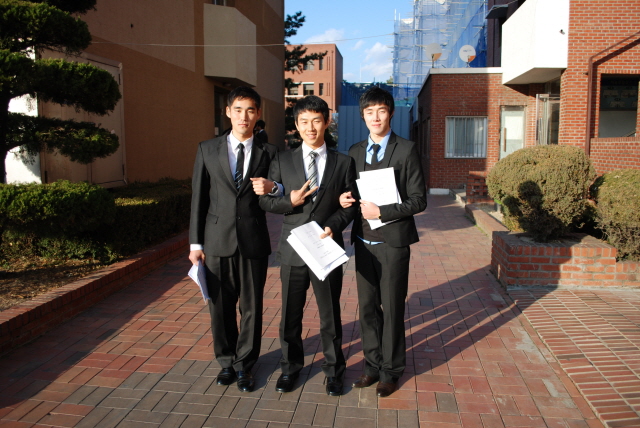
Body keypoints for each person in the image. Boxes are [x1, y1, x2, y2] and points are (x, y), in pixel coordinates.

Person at [259, 95, 357, 396]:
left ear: (326, 122)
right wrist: (289, 201)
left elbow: (350, 204)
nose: (310, 127)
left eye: (316, 120)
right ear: (297, 124)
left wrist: (334, 224)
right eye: (304, 121)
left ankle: (334, 370)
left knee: (330, 315)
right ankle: (290, 368)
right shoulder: (282, 160)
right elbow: (266, 201)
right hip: (293, 250)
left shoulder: (344, 162)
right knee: (291, 314)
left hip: (326, 246)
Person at [189, 86, 279, 393]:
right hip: (216, 240)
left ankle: (245, 365)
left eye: (250, 110)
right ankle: (226, 361)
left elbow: (279, 191)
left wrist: (274, 187)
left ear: (258, 114)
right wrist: (195, 244)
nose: (244, 117)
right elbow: (199, 199)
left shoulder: (270, 152)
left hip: (253, 240)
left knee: (251, 307)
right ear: (228, 112)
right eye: (238, 110)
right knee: (220, 306)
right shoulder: (207, 149)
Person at [340, 87, 427, 397]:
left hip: (393, 243)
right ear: (363, 116)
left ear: (390, 113)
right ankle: (372, 366)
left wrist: (383, 212)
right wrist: (344, 199)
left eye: (381, 110)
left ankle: (391, 371)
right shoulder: (354, 152)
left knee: (391, 309)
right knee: (367, 309)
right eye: (369, 112)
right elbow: (351, 194)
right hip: (364, 242)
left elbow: (419, 200)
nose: (375, 117)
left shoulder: (406, 150)